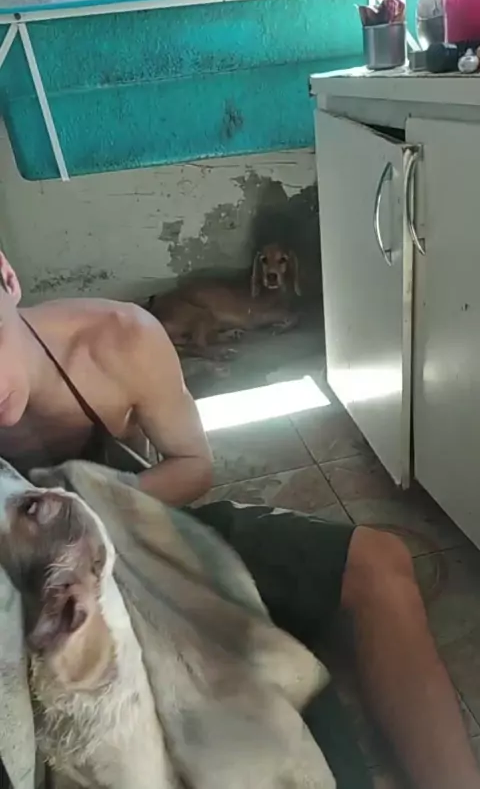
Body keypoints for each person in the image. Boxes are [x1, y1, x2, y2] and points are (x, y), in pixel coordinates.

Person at [0, 251, 477, 789]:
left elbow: (193, 465)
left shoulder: (118, 339)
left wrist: (92, 512)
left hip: (144, 530)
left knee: (378, 561)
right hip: (34, 590)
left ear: (7, 278)